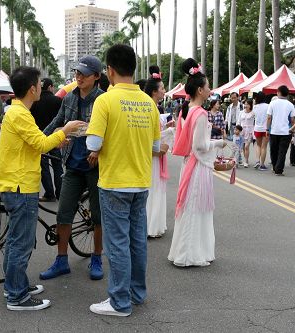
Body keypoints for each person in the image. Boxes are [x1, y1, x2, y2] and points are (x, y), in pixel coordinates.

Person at [0, 66, 84, 311]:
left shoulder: (16, 112)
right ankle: (17, 296)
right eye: (38, 83)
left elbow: (36, 144)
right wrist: (64, 130)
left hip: (17, 183)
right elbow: (41, 144)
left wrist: (57, 137)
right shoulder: (20, 114)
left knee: (16, 241)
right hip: (20, 185)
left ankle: (15, 285)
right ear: (33, 88)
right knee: (21, 243)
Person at [86, 44, 160, 317]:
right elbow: (155, 146)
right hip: (141, 181)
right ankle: (136, 293)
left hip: (115, 181)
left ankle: (119, 302)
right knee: (137, 241)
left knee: (117, 243)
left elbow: (93, 143)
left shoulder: (104, 100)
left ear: (109, 70)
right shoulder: (149, 103)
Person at [39, 56, 105, 281]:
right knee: (63, 212)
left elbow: (113, 132)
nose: (79, 77)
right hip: (72, 166)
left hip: (96, 167)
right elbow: (57, 122)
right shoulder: (68, 98)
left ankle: (96, 257)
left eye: (84, 74)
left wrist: (98, 149)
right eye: (77, 73)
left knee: (98, 216)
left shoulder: (104, 100)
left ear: (96, 76)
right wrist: (40, 141)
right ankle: (61, 260)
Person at [168, 58, 226, 267]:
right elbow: (200, 146)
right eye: (208, 86)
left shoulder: (185, 109)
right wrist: (219, 143)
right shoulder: (200, 113)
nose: (210, 90)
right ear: (200, 90)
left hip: (188, 164)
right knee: (196, 208)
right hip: (198, 166)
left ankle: (183, 252)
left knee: (190, 208)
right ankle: (190, 254)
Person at [144, 74, 175, 238]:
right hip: (154, 155)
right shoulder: (151, 108)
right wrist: (168, 132)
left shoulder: (152, 107)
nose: (164, 91)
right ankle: (151, 226)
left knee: (155, 188)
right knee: (154, 188)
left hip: (155, 153)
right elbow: (150, 135)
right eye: (162, 88)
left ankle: (153, 224)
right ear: (154, 91)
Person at [30, 78, 63, 202]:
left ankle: (49, 193)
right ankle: (60, 192)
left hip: (39, 136)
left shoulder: (34, 102)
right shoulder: (57, 100)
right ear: (50, 87)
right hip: (55, 137)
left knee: (43, 167)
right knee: (57, 166)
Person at [266, 85, 295, 176]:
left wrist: (267, 129)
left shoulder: (272, 103)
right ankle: (279, 170)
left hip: (274, 130)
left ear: (278, 92)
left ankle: (275, 166)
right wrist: (293, 130)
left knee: (273, 150)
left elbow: (269, 117)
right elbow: (292, 119)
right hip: (286, 132)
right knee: (282, 151)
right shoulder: (290, 105)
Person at [253, 92, 269, 170]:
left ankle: (257, 161)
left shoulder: (255, 107)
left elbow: (253, 116)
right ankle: (262, 164)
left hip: (257, 128)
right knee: (264, 147)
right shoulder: (268, 106)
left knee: (258, 145)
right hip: (266, 128)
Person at [237, 99, 255, 167]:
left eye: (247, 104)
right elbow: (238, 121)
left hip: (249, 131)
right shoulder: (241, 112)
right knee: (243, 147)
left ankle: (246, 161)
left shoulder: (253, 113)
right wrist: (237, 130)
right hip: (242, 131)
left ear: (251, 105)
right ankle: (245, 159)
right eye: (245, 104)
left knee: (247, 146)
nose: (246, 105)